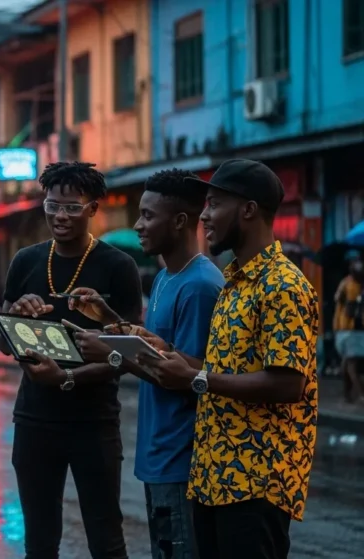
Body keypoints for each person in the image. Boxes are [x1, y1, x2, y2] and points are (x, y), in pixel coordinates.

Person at [140, 159, 318, 559]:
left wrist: (197, 380)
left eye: (214, 205)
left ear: (248, 210)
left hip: (257, 483)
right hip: (213, 478)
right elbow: (217, 367)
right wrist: (152, 344)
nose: (204, 216)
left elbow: (289, 383)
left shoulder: (283, 286)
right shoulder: (236, 282)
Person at [69, 169, 224, 559]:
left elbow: (184, 373)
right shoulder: (165, 278)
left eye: (148, 216)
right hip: (158, 454)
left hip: (183, 459)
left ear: (180, 222)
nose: (138, 225)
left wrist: (111, 352)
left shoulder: (200, 286)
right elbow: (156, 345)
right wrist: (108, 318)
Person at [0, 161, 142, 559]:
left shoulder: (118, 266)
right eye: (51, 206)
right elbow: (1, 340)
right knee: (40, 540)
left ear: (94, 208)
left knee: (106, 538)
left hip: (93, 422)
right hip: (34, 419)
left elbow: (130, 353)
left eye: (72, 207)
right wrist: (17, 318)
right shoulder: (26, 260)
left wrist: (66, 378)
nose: (60, 216)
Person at [334, 250, 364, 403]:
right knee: (351, 362)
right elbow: (338, 299)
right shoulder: (346, 283)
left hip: (359, 328)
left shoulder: (362, 283)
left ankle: (347, 394)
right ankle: (360, 393)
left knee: (348, 362)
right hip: (346, 328)